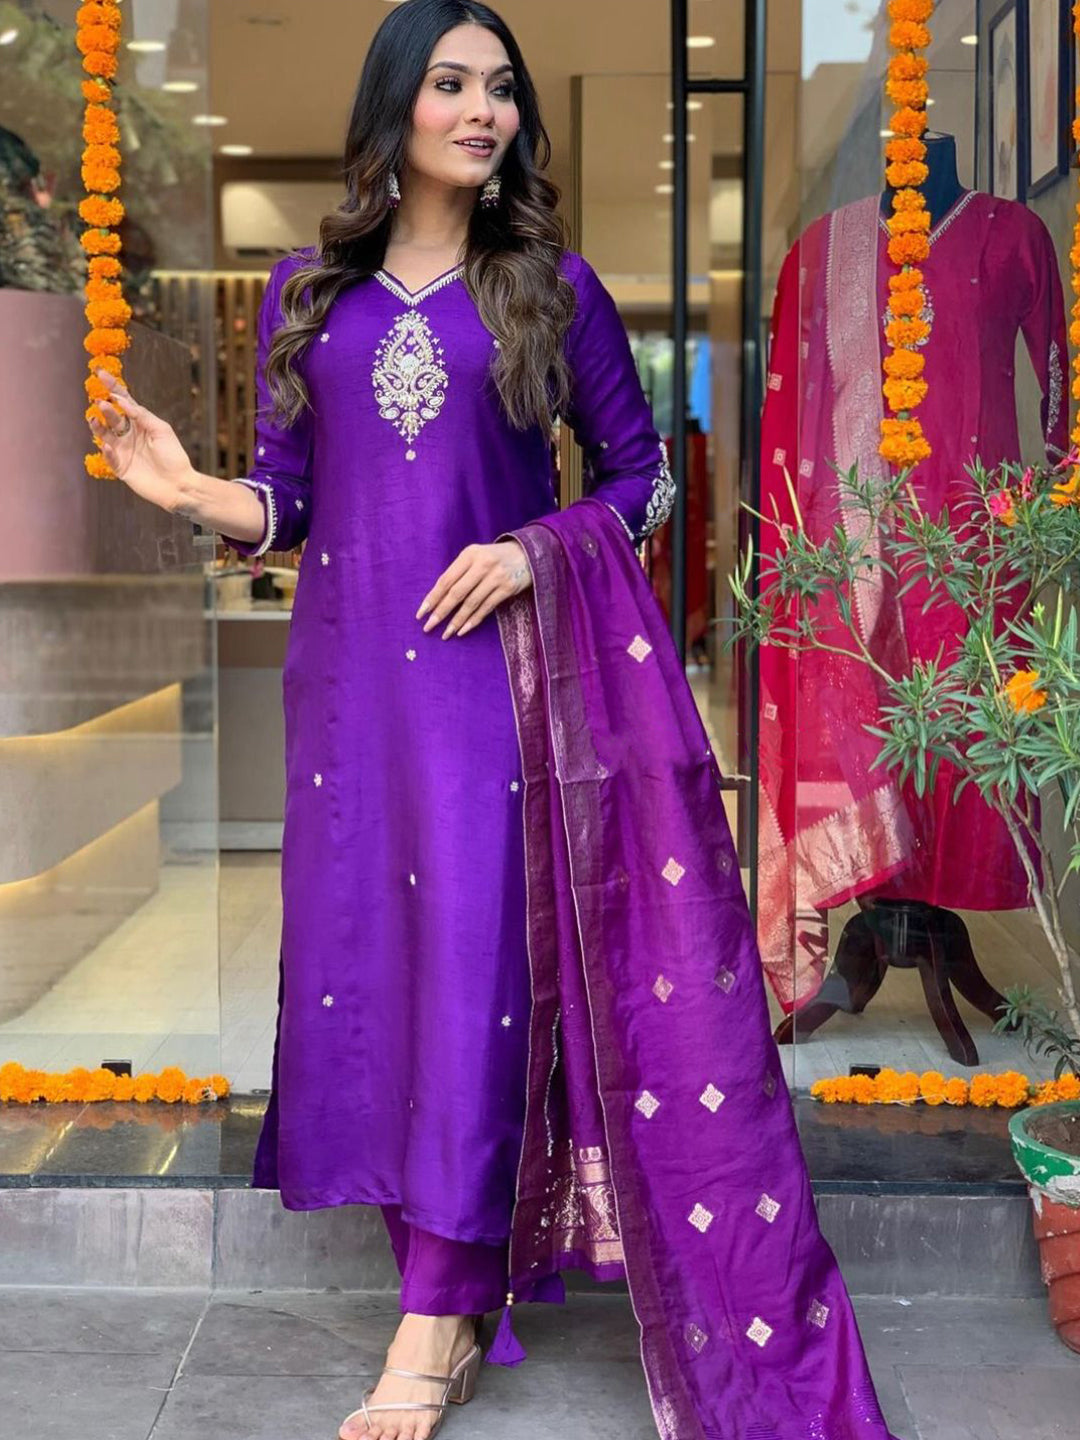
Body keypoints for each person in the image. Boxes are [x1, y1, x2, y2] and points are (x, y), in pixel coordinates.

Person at [88, 4, 904, 1439]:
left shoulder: (547, 287)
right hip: (350, 690)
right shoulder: (306, 294)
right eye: (452, 84)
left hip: (494, 686)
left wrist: (536, 550)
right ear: (393, 105)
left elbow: (645, 479)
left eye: (503, 89)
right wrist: (192, 492)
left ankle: (439, 1310)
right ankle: (444, 1284)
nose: (484, 111)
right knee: (374, 962)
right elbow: (291, 498)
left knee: (474, 962)